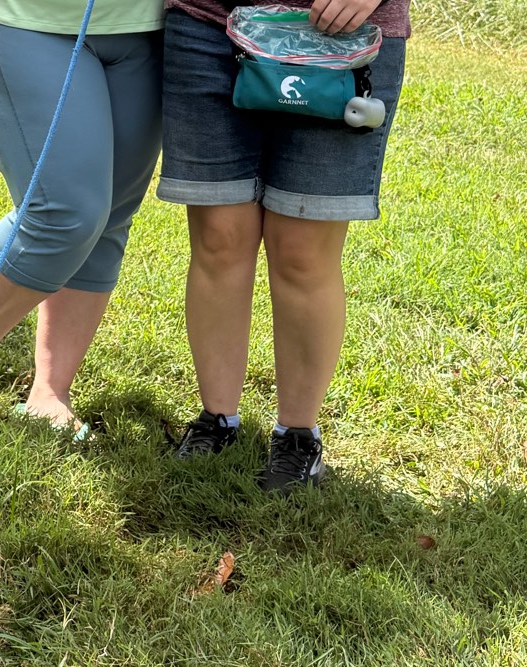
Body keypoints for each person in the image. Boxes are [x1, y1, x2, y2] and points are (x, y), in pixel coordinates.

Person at [159, 0, 410, 493]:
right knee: (219, 238)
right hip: (208, 23)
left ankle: (298, 436)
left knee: (303, 252)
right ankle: (217, 421)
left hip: (346, 34)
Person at [0, 0, 164, 433]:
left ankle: (51, 391)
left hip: (152, 25)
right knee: (61, 214)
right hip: (31, 18)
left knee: (109, 217)